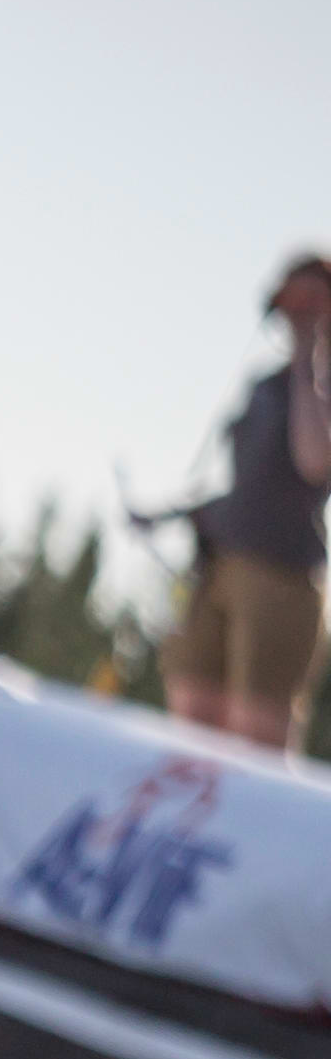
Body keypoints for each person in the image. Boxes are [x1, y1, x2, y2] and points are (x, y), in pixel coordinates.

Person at [168, 254, 331, 754]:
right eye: (291, 299)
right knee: (193, 719)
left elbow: (315, 463)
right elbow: (250, 481)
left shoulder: (318, 385)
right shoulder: (264, 384)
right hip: (221, 564)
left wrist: (308, 360)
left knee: (254, 736)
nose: (298, 311)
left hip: (280, 575)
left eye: (312, 301)